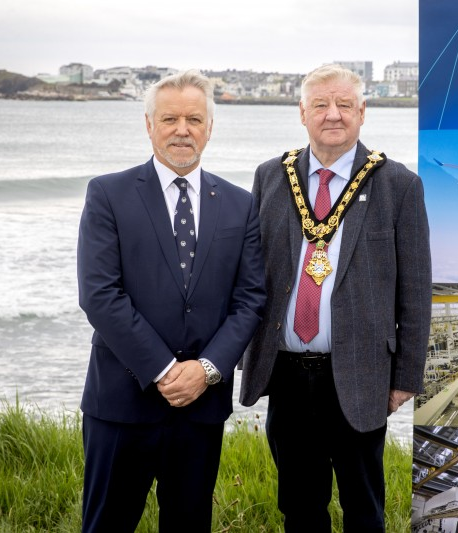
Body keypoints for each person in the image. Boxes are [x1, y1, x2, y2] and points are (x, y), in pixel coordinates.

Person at [240, 64, 432, 532]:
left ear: (362, 112)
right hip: (286, 372)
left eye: (345, 104)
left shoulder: (398, 185)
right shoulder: (271, 176)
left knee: (363, 507)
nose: (333, 115)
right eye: (321, 105)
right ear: (301, 112)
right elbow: (249, 274)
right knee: (299, 505)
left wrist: (405, 377)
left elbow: (415, 291)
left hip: (361, 372)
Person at [77, 70, 266, 533]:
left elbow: (250, 299)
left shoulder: (241, 205)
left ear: (209, 128)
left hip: (201, 408)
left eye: (194, 119)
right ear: (149, 125)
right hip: (122, 403)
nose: (182, 129)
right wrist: (165, 370)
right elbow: (99, 295)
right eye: (170, 118)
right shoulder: (108, 194)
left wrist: (205, 371)